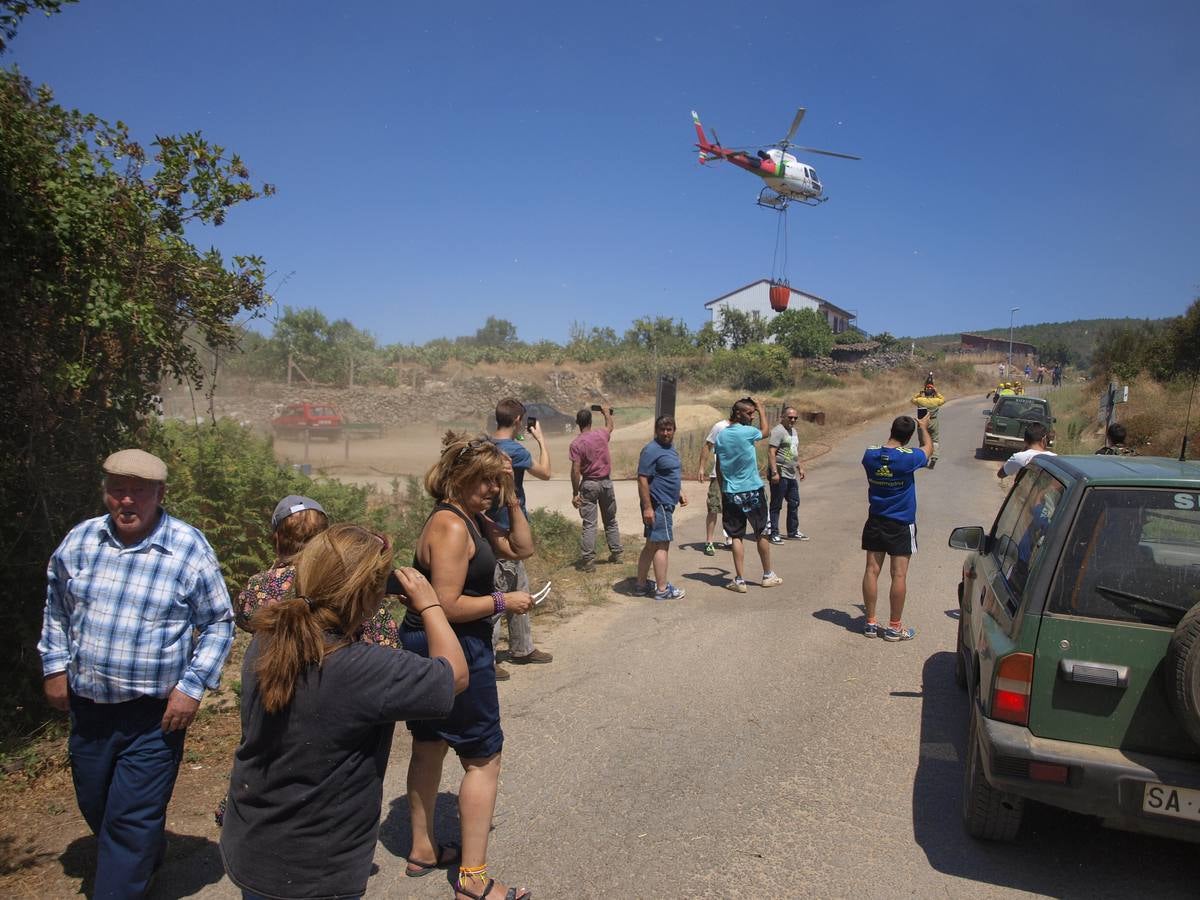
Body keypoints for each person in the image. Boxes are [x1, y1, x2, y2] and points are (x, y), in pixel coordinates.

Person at [221, 526, 466, 899]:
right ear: (370, 595)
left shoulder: (269, 637)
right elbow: (455, 676)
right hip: (316, 868)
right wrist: (431, 604)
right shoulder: (362, 668)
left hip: (251, 846)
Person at [39, 449, 234, 898]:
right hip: (89, 710)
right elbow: (56, 611)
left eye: (138, 492)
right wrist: (53, 666)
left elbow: (219, 623)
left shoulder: (188, 547)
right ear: (105, 492)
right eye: (117, 491)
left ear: (159, 494)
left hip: (154, 716)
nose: (126, 501)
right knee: (95, 800)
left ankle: (123, 879)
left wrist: (191, 687)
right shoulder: (81, 541)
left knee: (131, 816)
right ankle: (141, 856)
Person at [400, 434, 535, 900]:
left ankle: (422, 849)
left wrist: (513, 499)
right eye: (485, 482)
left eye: (496, 484)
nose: (491, 491)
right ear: (459, 477)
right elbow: (446, 604)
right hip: (452, 645)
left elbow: (522, 549)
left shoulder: (470, 516)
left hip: (428, 643)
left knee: (429, 743)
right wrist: (502, 601)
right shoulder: (454, 526)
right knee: (482, 758)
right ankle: (474, 880)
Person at [235, 494, 399, 646]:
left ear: (277, 539)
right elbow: (386, 640)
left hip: (278, 672)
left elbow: (244, 619)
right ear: (327, 539)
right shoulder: (349, 583)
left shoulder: (261, 585)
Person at [489, 398, 553, 678]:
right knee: (497, 597)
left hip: (489, 529)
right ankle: (487, 659)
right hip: (511, 529)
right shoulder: (516, 450)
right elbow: (546, 473)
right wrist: (541, 441)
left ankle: (522, 647)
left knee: (518, 587)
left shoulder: (486, 447)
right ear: (518, 421)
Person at [860, 415, 933, 641]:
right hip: (901, 522)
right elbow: (928, 448)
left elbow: (882, 453)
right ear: (909, 437)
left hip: (876, 519)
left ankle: (870, 623)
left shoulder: (870, 454)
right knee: (898, 575)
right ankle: (894, 627)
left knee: (872, 570)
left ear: (891, 429)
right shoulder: (908, 459)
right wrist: (924, 428)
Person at [715, 397, 782, 592]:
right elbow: (766, 432)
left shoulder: (721, 436)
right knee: (761, 531)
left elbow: (719, 467)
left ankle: (740, 579)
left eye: (753, 413)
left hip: (731, 492)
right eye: (749, 413)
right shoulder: (748, 432)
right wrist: (762, 408)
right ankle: (768, 574)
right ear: (738, 413)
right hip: (753, 489)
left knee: (736, 535)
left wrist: (722, 488)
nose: (752, 417)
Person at [635, 415, 688, 600]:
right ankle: (662, 589)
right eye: (662, 429)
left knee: (651, 545)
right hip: (658, 505)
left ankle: (641, 585)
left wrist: (679, 491)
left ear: (674, 430)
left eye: (669, 429)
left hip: (665, 502)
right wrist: (648, 508)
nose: (666, 433)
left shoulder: (669, 448)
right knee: (661, 545)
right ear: (656, 431)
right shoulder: (651, 450)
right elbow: (642, 479)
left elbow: (668, 473)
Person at [569, 404, 622, 572]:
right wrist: (606, 412)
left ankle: (589, 561)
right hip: (606, 483)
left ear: (578, 423)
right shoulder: (601, 434)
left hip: (589, 484)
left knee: (590, 524)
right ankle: (616, 553)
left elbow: (576, 470)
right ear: (591, 421)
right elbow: (610, 426)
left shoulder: (576, 444)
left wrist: (575, 492)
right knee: (611, 520)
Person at [767, 405, 808, 543]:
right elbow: (771, 452)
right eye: (790, 417)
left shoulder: (793, 431)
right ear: (783, 417)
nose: (793, 420)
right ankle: (774, 533)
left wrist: (800, 467)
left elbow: (794, 450)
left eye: (795, 418)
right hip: (780, 472)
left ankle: (793, 531)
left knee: (794, 502)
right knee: (776, 505)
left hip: (791, 474)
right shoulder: (778, 431)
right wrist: (774, 473)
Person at [697, 413, 733, 555]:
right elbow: (708, 446)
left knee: (732, 508)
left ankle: (730, 538)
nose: (751, 417)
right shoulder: (720, 426)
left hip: (736, 476)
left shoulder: (745, 428)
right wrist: (701, 467)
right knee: (713, 507)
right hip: (718, 474)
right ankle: (709, 541)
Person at [910, 381, 945, 470]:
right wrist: (936, 392)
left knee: (922, 441)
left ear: (925, 393)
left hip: (922, 422)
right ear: (932, 393)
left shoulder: (920, 400)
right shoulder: (936, 400)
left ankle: (923, 459)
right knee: (935, 440)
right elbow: (943, 400)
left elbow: (912, 399)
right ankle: (934, 457)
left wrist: (920, 393)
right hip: (933, 421)